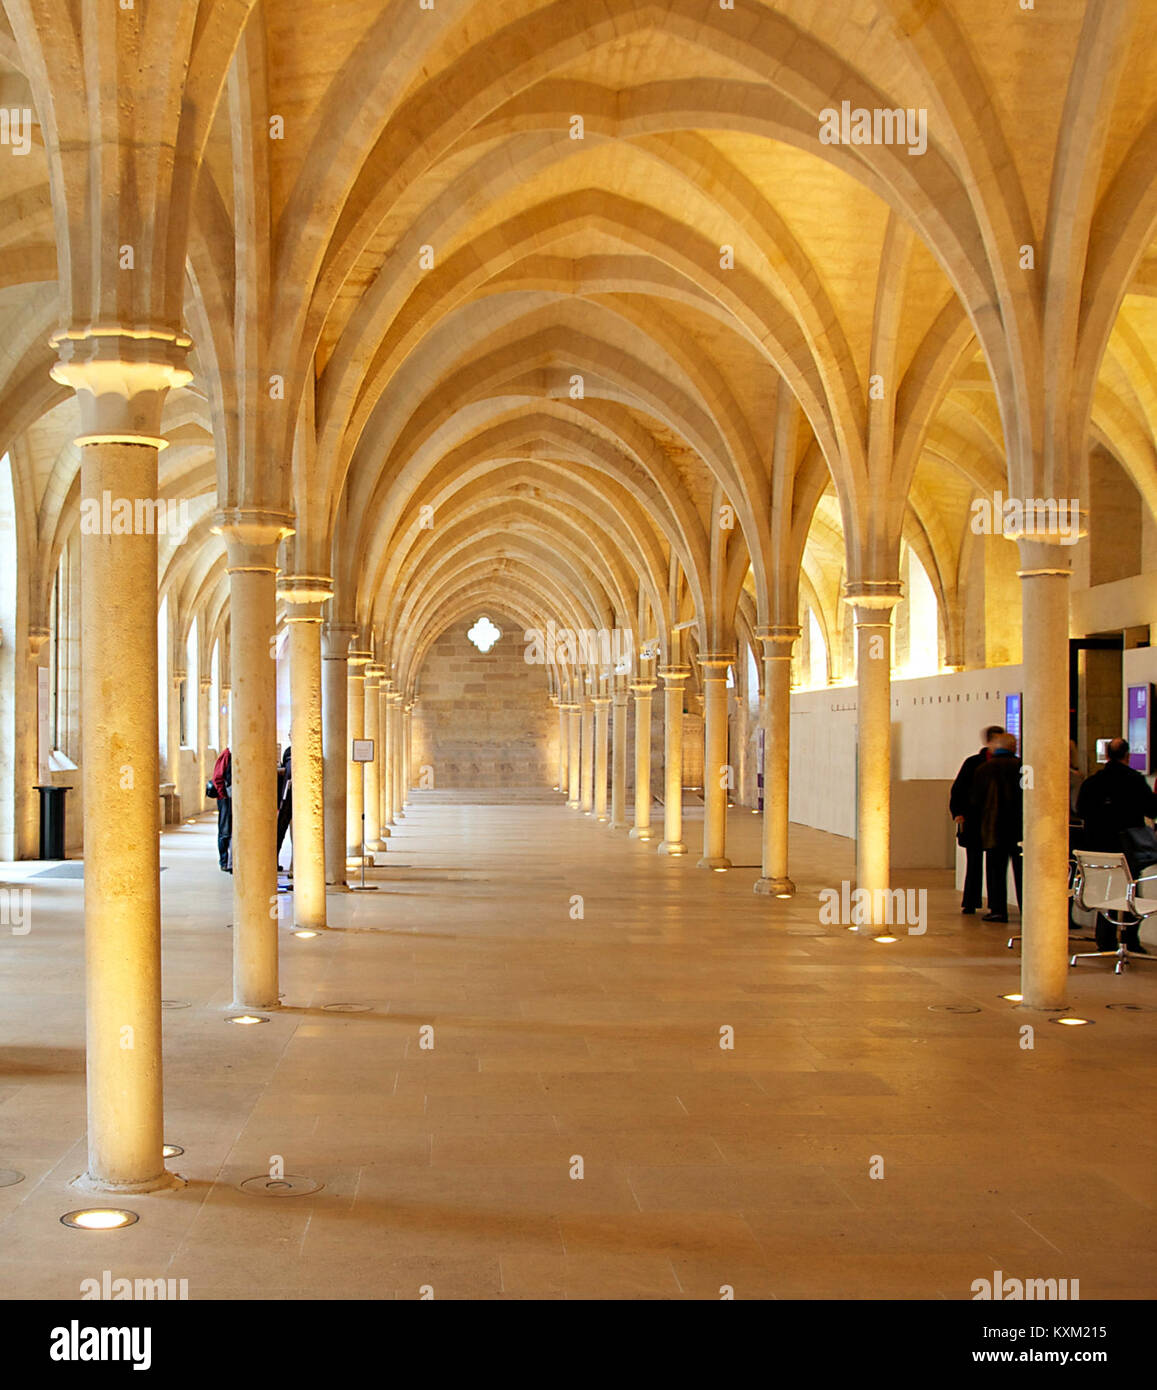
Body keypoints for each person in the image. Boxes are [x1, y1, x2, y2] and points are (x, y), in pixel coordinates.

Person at [1076, 737, 1157, 952]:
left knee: (1106, 893)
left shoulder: (1092, 782)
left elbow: (1080, 810)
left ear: (1107, 755)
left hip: (1096, 847)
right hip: (1127, 848)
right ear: (1127, 756)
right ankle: (1130, 938)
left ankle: (1104, 939)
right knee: (1130, 890)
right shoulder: (1135, 781)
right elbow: (1152, 809)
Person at [949, 725, 1005, 914]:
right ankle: (971, 901)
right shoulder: (973, 763)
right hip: (974, 820)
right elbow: (958, 789)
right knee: (974, 862)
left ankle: (995, 905)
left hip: (995, 821)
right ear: (988, 742)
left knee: (994, 864)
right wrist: (957, 812)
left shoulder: (1002, 763)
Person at [969, 731, 1022, 923]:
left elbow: (975, 799)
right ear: (1013, 747)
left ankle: (998, 909)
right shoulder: (1023, 767)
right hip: (1019, 828)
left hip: (994, 828)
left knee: (995, 872)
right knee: (1022, 872)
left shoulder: (985, 769)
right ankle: (1027, 908)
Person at [208, 746, 232, 872]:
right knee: (225, 830)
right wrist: (223, 794)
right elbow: (218, 776)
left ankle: (231, 861)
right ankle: (224, 861)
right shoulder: (227, 754)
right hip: (226, 797)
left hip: (233, 797)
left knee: (231, 829)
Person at [276, 744, 292, 872]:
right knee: (279, 831)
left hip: (299, 798)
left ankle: (296, 867)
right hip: (285, 798)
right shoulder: (288, 751)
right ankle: (273, 860)